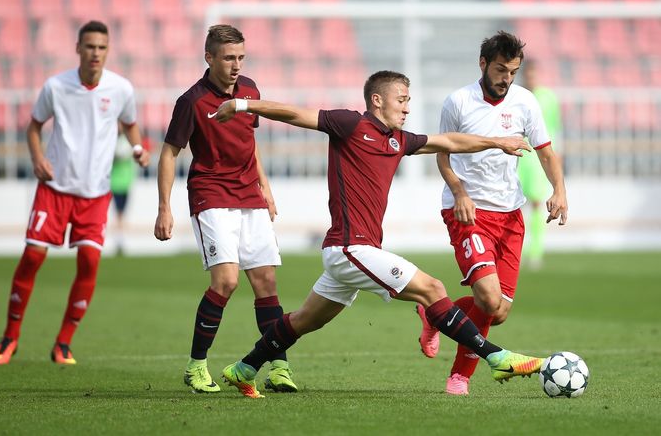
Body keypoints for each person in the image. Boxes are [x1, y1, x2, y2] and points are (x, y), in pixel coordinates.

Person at [213, 70, 544, 399]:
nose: (407, 108)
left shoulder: (399, 140)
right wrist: (243, 106)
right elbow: (294, 113)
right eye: (401, 100)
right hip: (349, 248)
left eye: (408, 102)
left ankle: (244, 369)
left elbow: (450, 141)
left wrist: (497, 142)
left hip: (354, 253)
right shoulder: (350, 125)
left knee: (304, 320)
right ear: (377, 100)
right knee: (432, 288)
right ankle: (497, 358)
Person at [415, 31, 567, 396]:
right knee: (487, 299)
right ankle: (460, 377)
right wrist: (459, 191)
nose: (506, 79)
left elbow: (546, 152)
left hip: (510, 214)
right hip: (468, 212)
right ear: (483, 64)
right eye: (501, 70)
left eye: (513, 72)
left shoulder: (526, 103)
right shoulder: (458, 102)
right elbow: (442, 154)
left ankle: (434, 313)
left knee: (498, 311)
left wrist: (559, 190)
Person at [0, 20, 150, 365]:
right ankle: (10, 337)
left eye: (102, 47)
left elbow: (130, 123)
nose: (96, 53)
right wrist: (37, 158)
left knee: (89, 261)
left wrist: (137, 148)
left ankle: (63, 343)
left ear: (108, 51)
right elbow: (34, 127)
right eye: (90, 46)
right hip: (55, 189)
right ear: (78, 48)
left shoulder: (121, 88)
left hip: (95, 194)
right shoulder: (56, 87)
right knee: (33, 256)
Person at [153, 24, 298, 394]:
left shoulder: (250, 91)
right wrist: (164, 208)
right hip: (211, 194)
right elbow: (169, 152)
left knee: (266, 283)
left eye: (241, 57)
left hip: (249, 195)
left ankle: (278, 367)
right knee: (227, 281)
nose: (236, 65)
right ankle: (196, 365)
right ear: (210, 58)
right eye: (229, 58)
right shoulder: (192, 101)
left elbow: (250, 141)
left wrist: (265, 186)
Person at [517, 59, 563, 270]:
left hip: (538, 157)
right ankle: (516, 249)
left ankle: (535, 251)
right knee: (513, 204)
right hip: (517, 154)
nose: (531, 78)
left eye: (535, 74)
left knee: (536, 202)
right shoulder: (515, 95)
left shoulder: (548, 98)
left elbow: (554, 128)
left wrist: (556, 155)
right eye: (529, 74)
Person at [110, 133, 136, 256]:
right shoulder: (115, 141)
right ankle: (119, 240)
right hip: (115, 183)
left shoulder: (127, 142)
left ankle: (120, 240)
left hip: (125, 183)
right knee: (118, 214)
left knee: (121, 214)